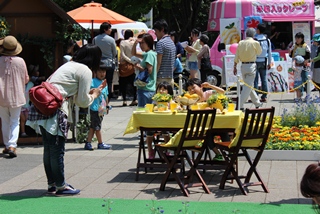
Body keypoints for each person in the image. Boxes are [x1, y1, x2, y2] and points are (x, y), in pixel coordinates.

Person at [26, 44, 105, 196]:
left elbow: (68, 89)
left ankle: (52, 184)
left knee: (49, 148)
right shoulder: (85, 70)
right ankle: (61, 186)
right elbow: (82, 102)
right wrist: (94, 95)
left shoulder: (69, 65)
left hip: (43, 107)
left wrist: (85, 94)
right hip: (56, 110)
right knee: (57, 150)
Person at [0, 35, 29, 158]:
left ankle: (7, 145)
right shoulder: (20, 61)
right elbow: (26, 79)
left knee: (5, 121)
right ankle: (12, 145)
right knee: (15, 121)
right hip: (17, 95)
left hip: (1, 95)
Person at [185, 78, 226, 160]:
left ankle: (228, 153)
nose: (192, 91)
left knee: (223, 131)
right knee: (207, 134)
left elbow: (222, 92)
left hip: (214, 123)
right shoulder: (190, 99)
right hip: (199, 126)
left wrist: (210, 86)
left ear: (201, 87)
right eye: (189, 89)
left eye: (193, 88)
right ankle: (219, 154)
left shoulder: (208, 94)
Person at [131, 33, 157, 159]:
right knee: (147, 114)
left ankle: (147, 139)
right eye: (140, 43)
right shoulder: (150, 53)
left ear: (148, 42)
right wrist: (135, 43)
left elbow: (149, 70)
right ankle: (147, 138)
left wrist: (137, 67)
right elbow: (134, 54)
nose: (141, 45)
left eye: (142, 43)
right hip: (148, 88)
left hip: (146, 88)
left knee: (144, 115)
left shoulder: (149, 54)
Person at [234, 28, 262, 110]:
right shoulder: (255, 42)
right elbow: (259, 52)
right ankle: (240, 105)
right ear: (253, 35)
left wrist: (234, 66)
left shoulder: (241, 43)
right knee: (248, 86)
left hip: (243, 65)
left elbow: (236, 56)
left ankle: (257, 103)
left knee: (249, 85)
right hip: (251, 65)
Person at [84, 63, 111, 151]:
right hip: (94, 108)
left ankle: (88, 143)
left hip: (101, 108)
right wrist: (92, 91)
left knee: (93, 126)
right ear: (95, 72)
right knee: (97, 127)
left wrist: (107, 106)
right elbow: (88, 92)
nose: (102, 73)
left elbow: (106, 95)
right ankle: (100, 143)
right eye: (100, 71)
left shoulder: (105, 83)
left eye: (104, 71)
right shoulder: (92, 81)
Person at [147, 81, 174, 159]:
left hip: (167, 123)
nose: (161, 91)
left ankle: (168, 148)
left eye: (164, 89)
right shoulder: (155, 99)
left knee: (166, 130)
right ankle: (150, 149)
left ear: (168, 91)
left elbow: (175, 106)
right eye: (160, 89)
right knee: (149, 130)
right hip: (155, 122)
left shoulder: (170, 99)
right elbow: (152, 107)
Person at [93, 22, 117, 102]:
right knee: (109, 81)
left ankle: (98, 96)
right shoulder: (111, 39)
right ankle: (107, 98)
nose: (111, 30)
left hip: (98, 63)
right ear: (105, 29)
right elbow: (115, 52)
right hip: (109, 63)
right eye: (109, 28)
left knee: (98, 80)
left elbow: (93, 50)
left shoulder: (95, 39)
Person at [153, 19, 176, 85]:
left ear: (162, 29)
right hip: (170, 78)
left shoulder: (160, 43)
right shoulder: (172, 43)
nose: (155, 33)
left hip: (161, 79)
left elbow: (159, 62)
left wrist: (154, 75)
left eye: (156, 31)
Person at [254, 23, 272, 103]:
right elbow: (270, 52)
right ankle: (264, 96)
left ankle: (255, 96)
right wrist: (269, 62)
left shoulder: (255, 40)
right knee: (264, 79)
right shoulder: (267, 40)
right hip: (264, 60)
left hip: (256, 60)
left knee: (255, 80)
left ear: (258, 30)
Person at [119, 30, 137, 107]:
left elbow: (122, 54)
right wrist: (133, 61)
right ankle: (135, 99)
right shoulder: (135, 42)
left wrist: (129, 61)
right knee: (134, 83)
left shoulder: (123, 43)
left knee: (123, 83)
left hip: (124, 65)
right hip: (134, 65)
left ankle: (124, 100)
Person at [310, 34, 320, 100]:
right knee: (317, 82)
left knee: (319, 83)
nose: (314, 42)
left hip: (319, 67)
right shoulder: (318, 47)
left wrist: (312, 60)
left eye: (315, 41)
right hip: (316, 66)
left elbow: (319, 57)